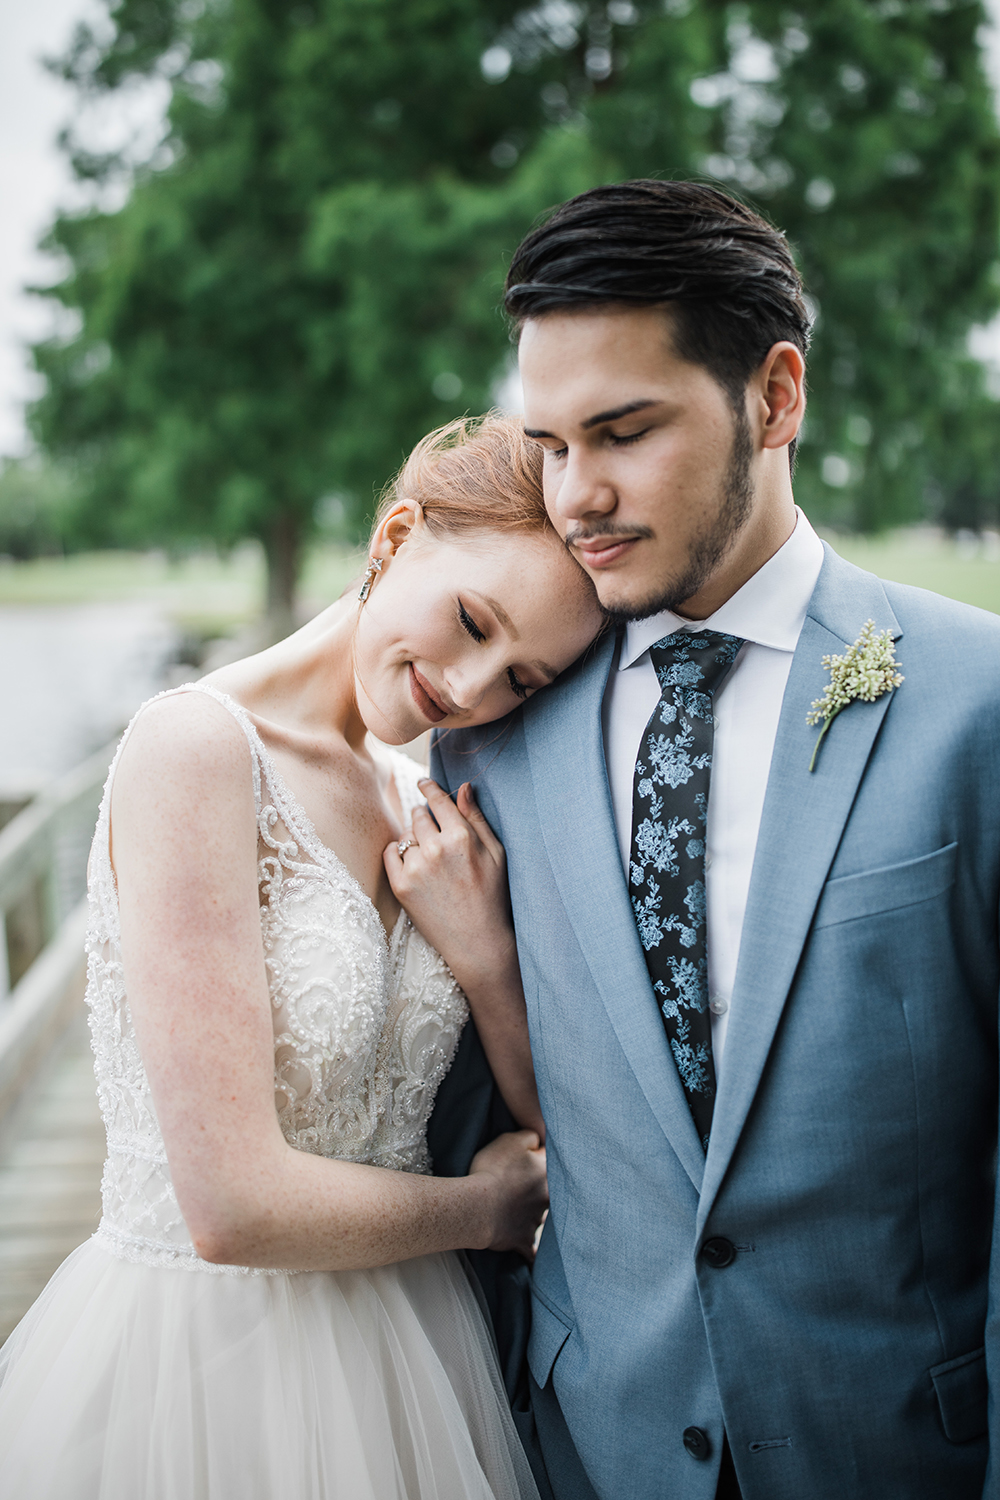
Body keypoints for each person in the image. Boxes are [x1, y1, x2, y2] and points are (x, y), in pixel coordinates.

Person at [429, 181, 1000, 1500]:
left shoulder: (975, 700)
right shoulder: (492, 730)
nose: (578, 495)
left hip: (902, 1451)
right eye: (551, 445)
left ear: (776, 398)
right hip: (587, 1444)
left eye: (623, 433)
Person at [0, 413, 603, 1499]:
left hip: (411, 1352)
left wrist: (485, 959)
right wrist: (481, 1212)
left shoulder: (417, 797)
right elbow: (230, 1208)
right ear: (395, 537)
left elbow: (547, 1131)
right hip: (205, 1357)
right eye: (473, 621)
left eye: (522, 679)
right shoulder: (193, 750)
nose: (472, 689)